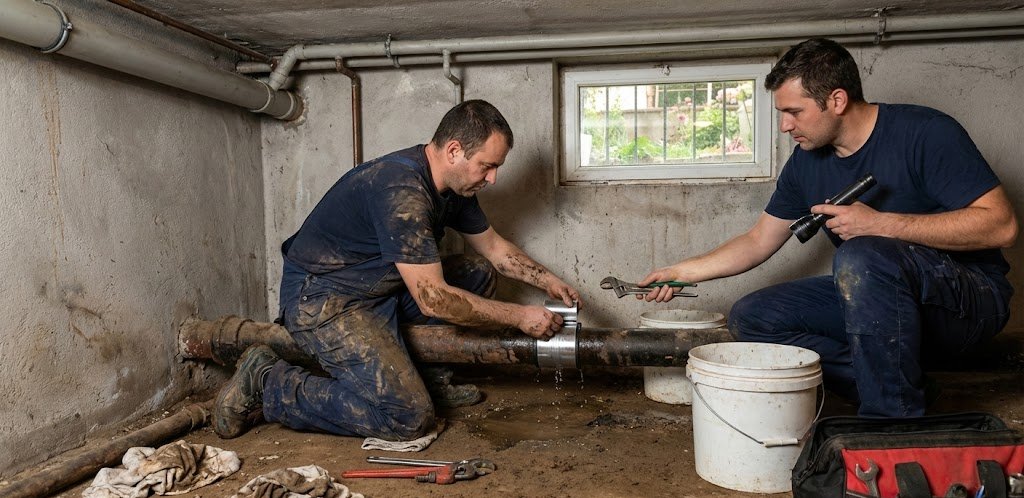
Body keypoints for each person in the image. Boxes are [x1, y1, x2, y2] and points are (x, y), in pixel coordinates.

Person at [638, 38, 1017, 418]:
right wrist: (682, 272)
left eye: (794, 112)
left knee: (862, 254)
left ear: (836, 100)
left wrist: (882, 224)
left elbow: (1002, 226)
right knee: (754, 317)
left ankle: (891, 420)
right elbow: (757, 240)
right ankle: (899, 388)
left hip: (967, 301)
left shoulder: (925, 133)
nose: (785, 126)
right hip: (879, 298)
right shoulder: (806, 164)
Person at [213, 99, 582, 440]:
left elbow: (496, 250)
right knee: (407, 418)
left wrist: (548, 281)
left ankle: (430, 380)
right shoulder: (401, 191)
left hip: (378, 290)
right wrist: (519, 316)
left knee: (477, 272)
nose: (492, 179)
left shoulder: (455, 189)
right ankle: (268, 382)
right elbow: (434, 300)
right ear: (454, 151)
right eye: (487, 166)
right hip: (324, 299)